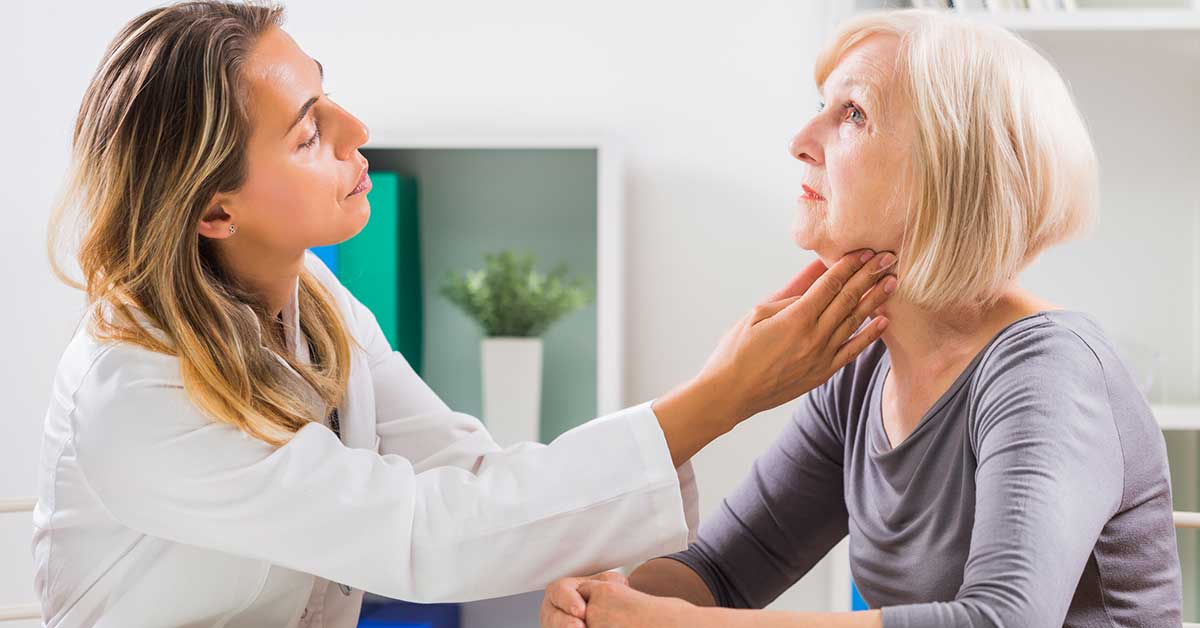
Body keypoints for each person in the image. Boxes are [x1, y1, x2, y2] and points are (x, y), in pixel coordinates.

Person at [32, 2, 897, 627]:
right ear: (214, 212)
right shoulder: (136, 389)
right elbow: (422, 536)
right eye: (305, 134)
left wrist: (589, 574)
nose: (355, 125)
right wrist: (724, 394)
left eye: (326, 94)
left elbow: (471, 478)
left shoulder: (315, 300)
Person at [541, 9, 1181, 628]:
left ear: (949, 169)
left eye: (852, 113)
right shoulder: (865, 369)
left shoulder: (1048, 371)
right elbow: (723, 571)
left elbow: (1001, 621)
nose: (799, 142)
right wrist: (602, 606)